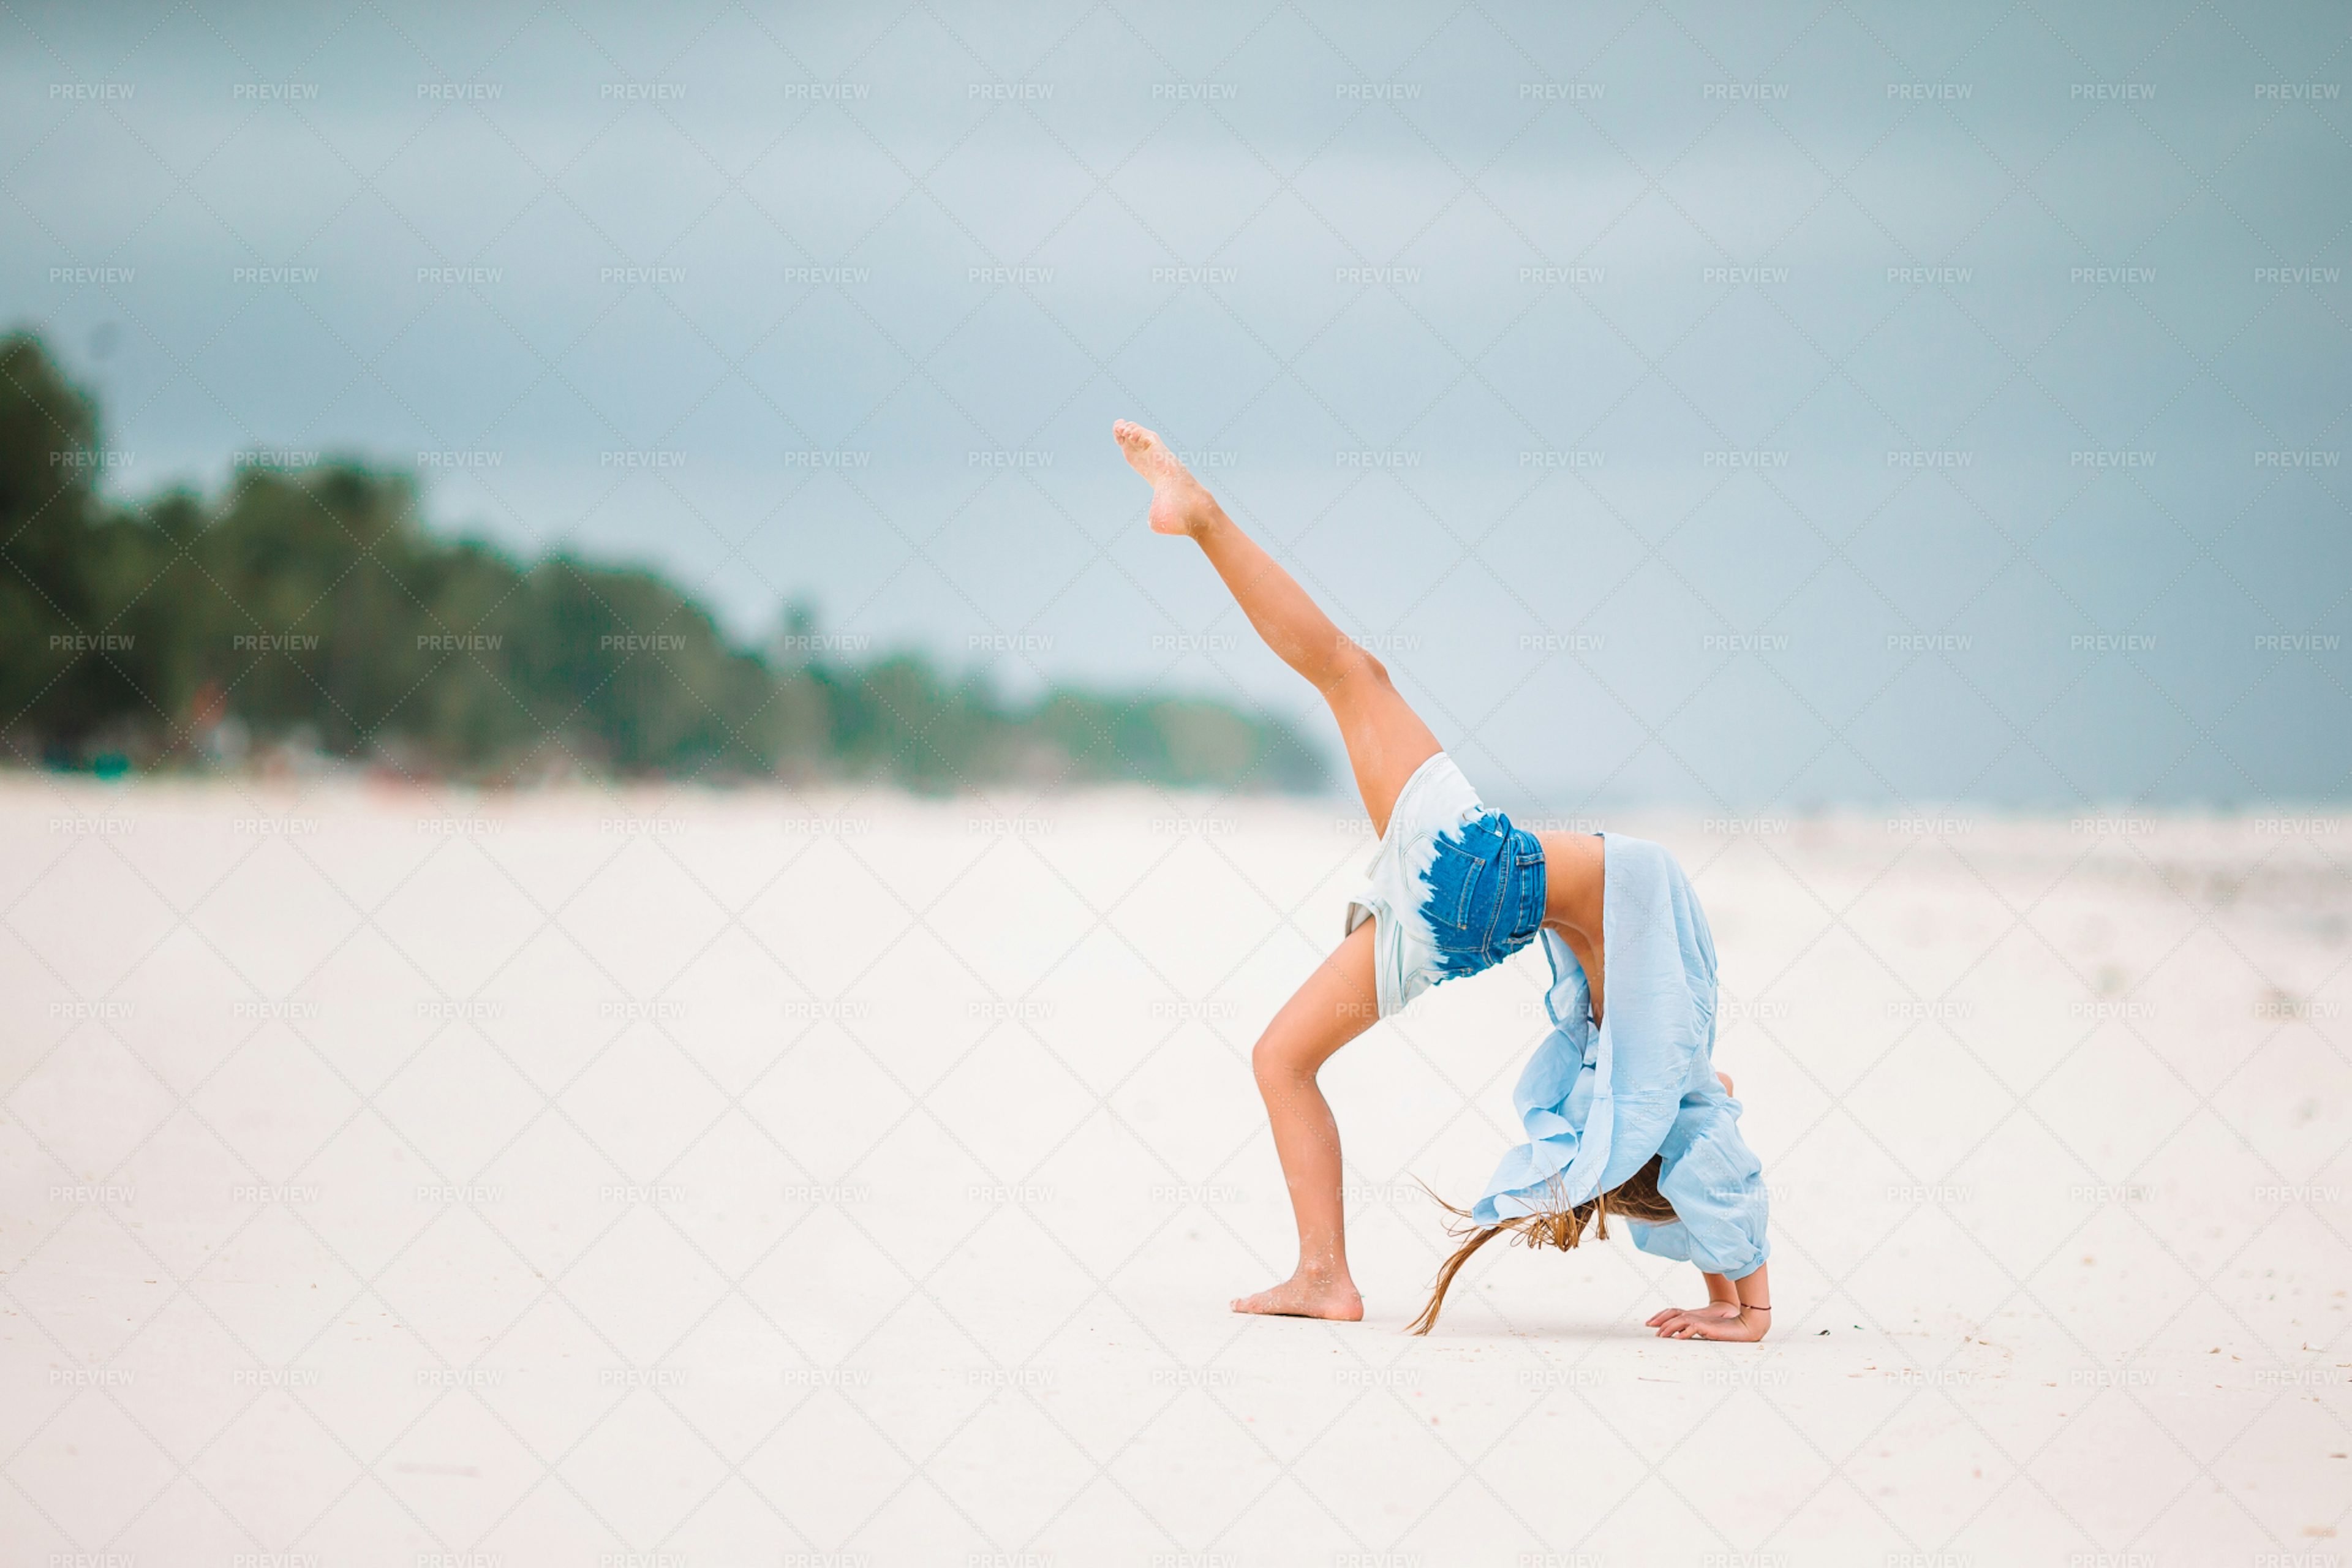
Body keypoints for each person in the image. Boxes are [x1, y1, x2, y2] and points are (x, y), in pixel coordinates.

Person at [1113, 419, 1773, 1342]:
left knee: (1348, 670)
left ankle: (1205, 517)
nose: (1710, 1092)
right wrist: (1736, 1301)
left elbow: (1707, 1132)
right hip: (1465, 918)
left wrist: (1753, 1307)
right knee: (1281, 1059)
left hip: (1477, 878)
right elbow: (1700, 1127)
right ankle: (1323, 1278)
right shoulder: (1655, 1051)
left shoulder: (1664, 1014)